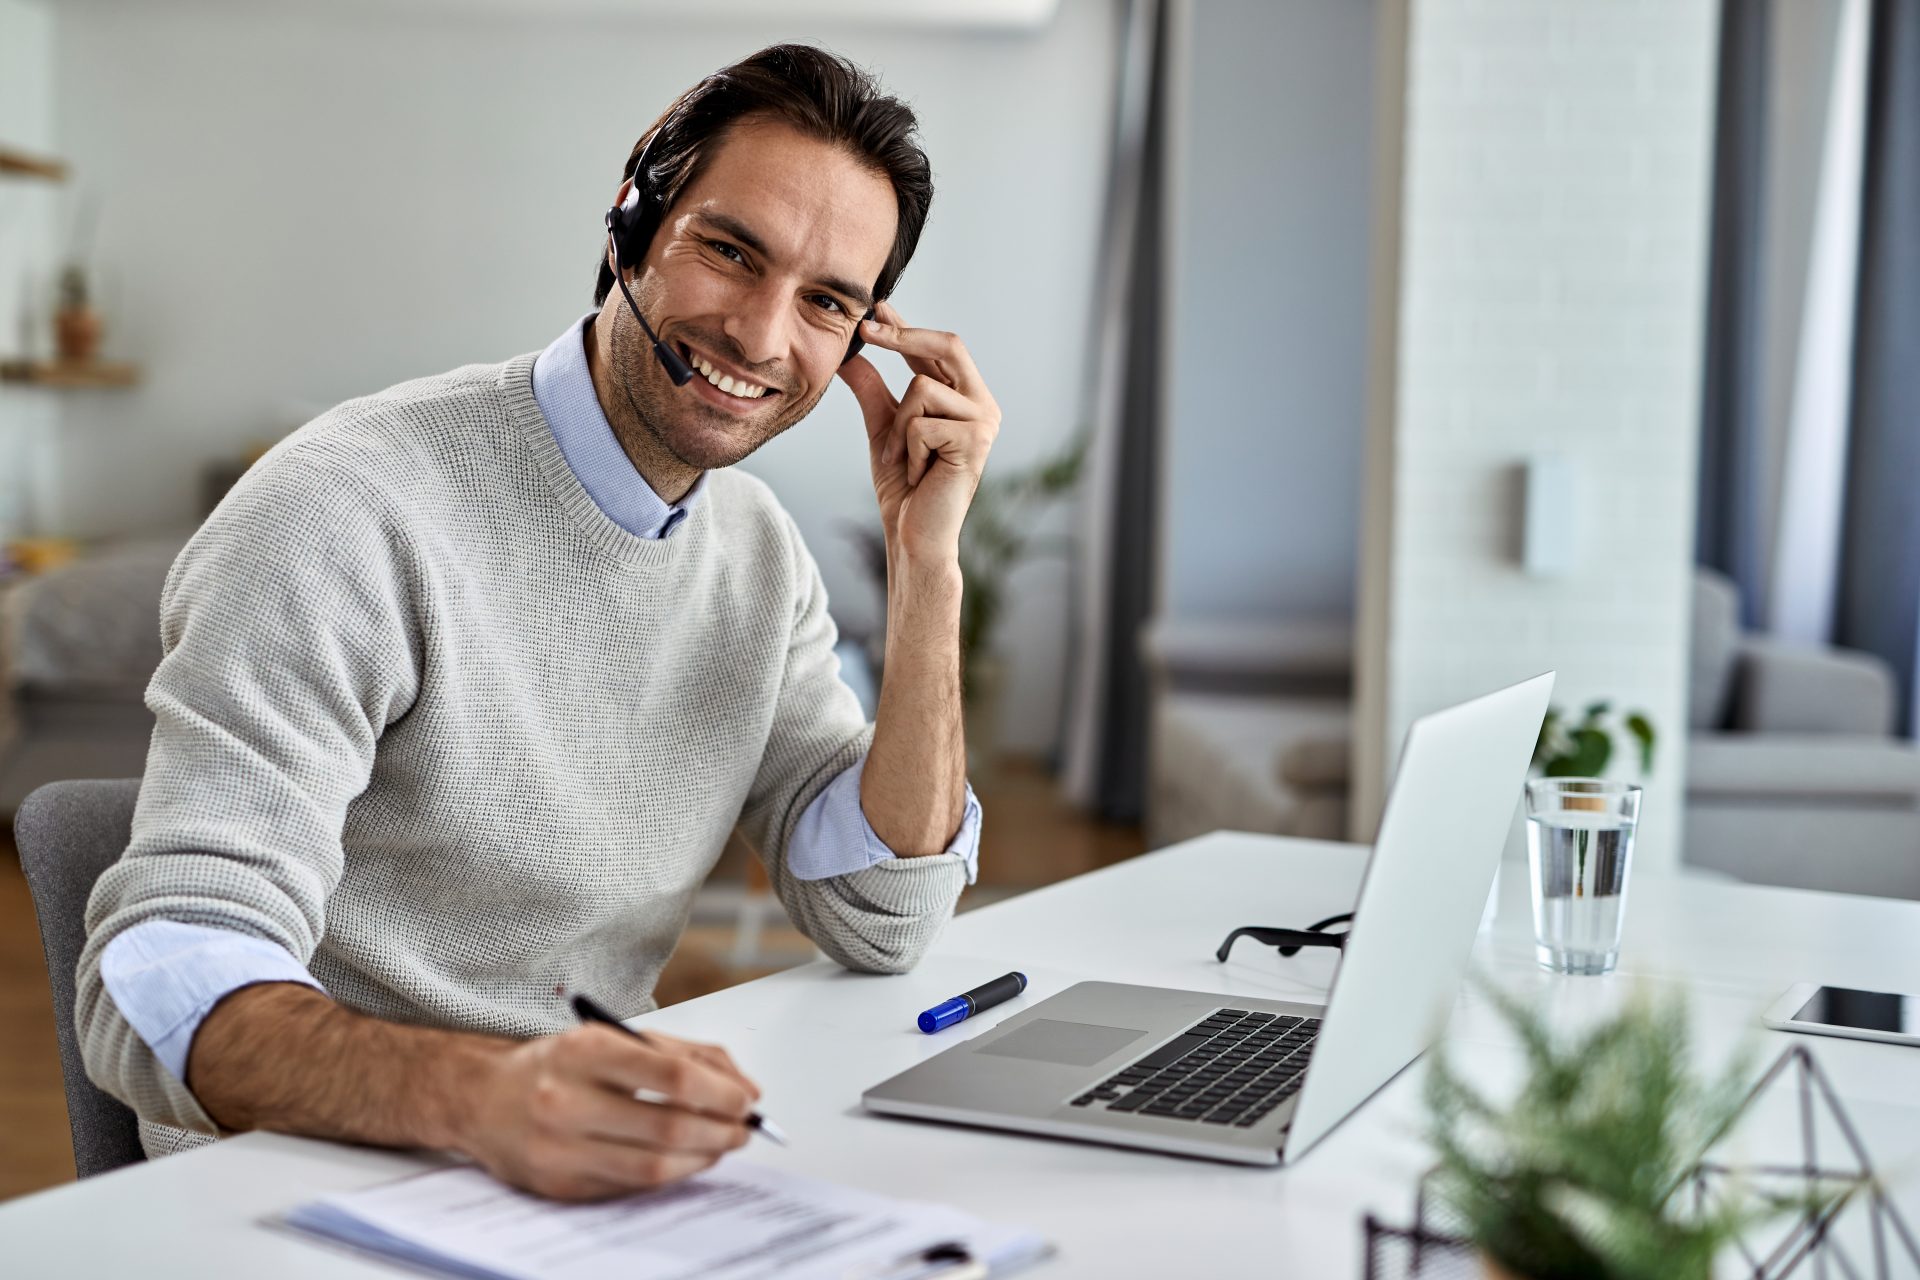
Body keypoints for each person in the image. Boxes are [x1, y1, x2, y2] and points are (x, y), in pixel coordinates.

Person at [74, 43, 1000, 1202]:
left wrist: (928, 565)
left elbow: (885, 909)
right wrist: (484, 1097)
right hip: (306, 1186)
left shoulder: (756, 553)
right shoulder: (347, 508)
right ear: (631, 220)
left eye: (826, 302)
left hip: (578, 1174)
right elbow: (150, 979)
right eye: (729, 250)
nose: (764, 336)